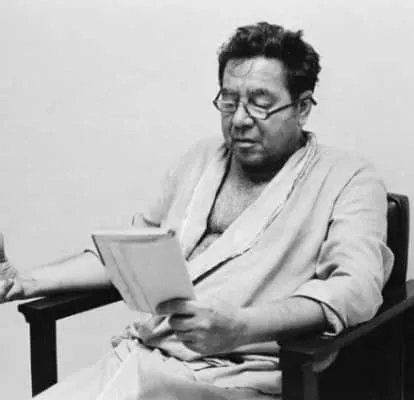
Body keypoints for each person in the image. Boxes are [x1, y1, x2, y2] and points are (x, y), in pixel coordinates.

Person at [0, 22, 393, 399]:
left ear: (302, 107)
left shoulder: (349, 178)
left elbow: (354, 287)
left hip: (239, 378)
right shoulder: (201, 159)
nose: (240, 119)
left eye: (260, 104)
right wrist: (26, 282)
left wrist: (243, 326)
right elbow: (131, 254)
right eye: (229, 101)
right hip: (143, 360)